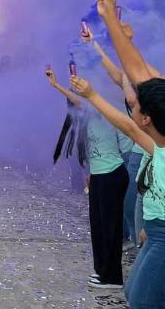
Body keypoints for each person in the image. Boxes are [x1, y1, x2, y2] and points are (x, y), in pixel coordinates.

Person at [70, 0, 165, 307]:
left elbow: (137, 76)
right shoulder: (156, 146)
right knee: (135, 292)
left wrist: (110, 20)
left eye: (136, 106)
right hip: (155, 230)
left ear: (148, 119)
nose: (131, 107)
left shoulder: (152, 144)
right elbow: (132, 77)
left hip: (162, 234)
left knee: (140, 297)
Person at [46, 68, 127, 289]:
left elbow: (81, 102)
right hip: (100, 176)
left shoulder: (100, 111)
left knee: (110, 229)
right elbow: (88, 151)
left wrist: (58, 86)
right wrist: (88, 173)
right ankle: (101, 271)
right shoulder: (85, 120)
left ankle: (112, 277)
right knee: (98, 227)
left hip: (113, 175)